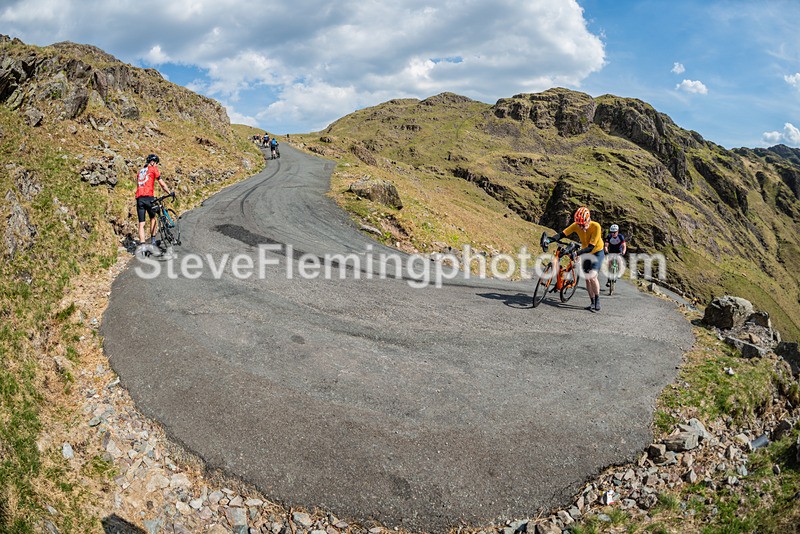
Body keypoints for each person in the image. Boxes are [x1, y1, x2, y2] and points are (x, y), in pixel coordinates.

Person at [545, 206, 605, 312]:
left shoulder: (596, 226)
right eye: (579, 224)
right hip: (586, 253)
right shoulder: (576, 225)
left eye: (583, 224)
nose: (581, 227)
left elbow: (591, 247)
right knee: (587, 278)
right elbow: (562, 234)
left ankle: (597, 299)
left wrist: (577, 253)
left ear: (588, 219)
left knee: (593, 277)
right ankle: (592, 302)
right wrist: (550, 240)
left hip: (596, 252)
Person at [135, 154, 172, 245]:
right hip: (149, 198)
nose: (156, 165)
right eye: (156, 163)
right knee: (153, 218)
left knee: (141, 224)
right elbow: (162, 184)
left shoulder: (140, 172)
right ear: (152, 162)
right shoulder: (153, 169)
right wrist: (169, 193)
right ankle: (153, 240)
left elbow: (139, 184)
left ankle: (143, 246)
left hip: (139, 199)